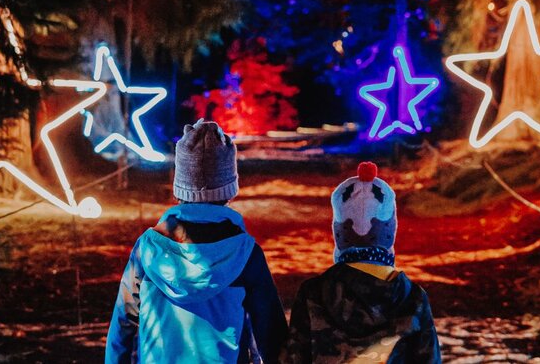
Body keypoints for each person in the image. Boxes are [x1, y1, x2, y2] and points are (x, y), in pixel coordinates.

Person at [106, 119, 287, 364]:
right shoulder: (246, 253)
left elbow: (123, 323)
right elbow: (271, 334)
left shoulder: (148, 248)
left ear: (179, 187)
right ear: (229, 189)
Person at [281, 162, 441, 363]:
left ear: (339, 231)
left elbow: (293, 358)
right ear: (389, 230)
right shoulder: (412, 298)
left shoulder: (313, 293)